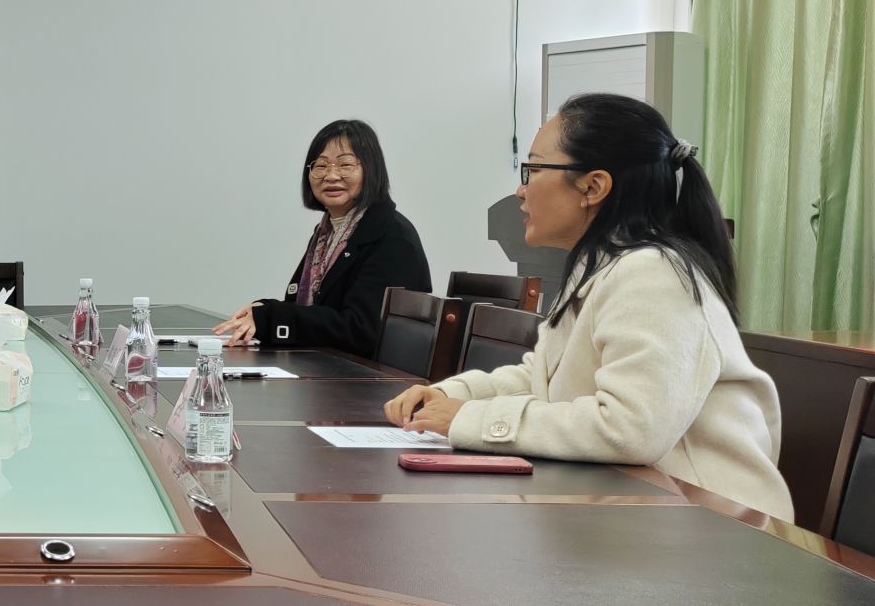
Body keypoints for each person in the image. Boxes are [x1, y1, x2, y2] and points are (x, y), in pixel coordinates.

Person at [386, 94, 794, 522]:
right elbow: (543, 376)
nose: (521, 191)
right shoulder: (603, 264)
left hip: (709, 525)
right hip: (641, 511)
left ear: (593, 187)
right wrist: (453, 395)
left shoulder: (653, 273)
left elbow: (630, 428)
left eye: (533, 170)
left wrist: (470, 419)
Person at [215, 119, 430, 356]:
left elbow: (361, 330)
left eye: (345, 164)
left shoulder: (391, 236)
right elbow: (314, 309)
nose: (331, 175)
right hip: (326, 366)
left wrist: (273, 317)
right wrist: (264, 309)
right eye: (321, 166)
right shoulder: (326, 234)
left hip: (367, 375)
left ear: (371, 169)